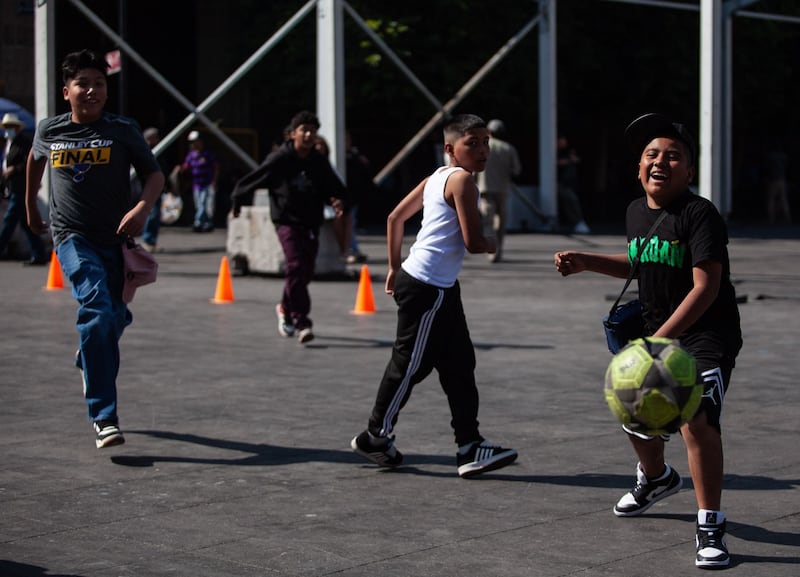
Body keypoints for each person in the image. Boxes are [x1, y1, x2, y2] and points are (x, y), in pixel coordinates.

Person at [553, 113, 742, 568]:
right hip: (653, 336)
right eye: (652, 154)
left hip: (704, 337)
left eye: (673, 156)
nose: (661, 161)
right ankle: (656, 478)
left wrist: (657, 343)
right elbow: (642, 261)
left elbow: (705, 287)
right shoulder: (636, 211)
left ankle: (710, 525)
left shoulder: (700, 215)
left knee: (696, 419)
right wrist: (587, 261)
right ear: (638, 167)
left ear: (689, 171)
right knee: (633, 413)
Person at [350, 114, 518, 478]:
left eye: (486, 142)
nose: (482, 150)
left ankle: (470, 446)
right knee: (409, 364)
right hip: (428, 289)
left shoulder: (435, 178)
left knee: (459, 365)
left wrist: (395, 266)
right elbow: (474, 243)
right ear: (450, 149)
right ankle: (375, 435)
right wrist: (491, 242)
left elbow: (395, 218)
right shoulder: (461, 181)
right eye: (472, 143)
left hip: (436, 286)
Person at [25, 49, 164, 449]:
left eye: (99, 83)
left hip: (116, 240)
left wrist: (142, 208)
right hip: (72, 237)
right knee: (97, 310)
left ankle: (90, 354)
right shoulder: (50, 130)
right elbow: (36, 162)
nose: (91, 90)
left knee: (111, 319)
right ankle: (104, 416)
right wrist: (33, 207)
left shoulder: (123, 129)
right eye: (82, 83)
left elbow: (154, 175)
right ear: (66, 90)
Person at [230, 110, 347, 344]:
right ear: (293, 134)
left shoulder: (317, 161)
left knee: (304, 271)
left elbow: (332, 186)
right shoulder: (280, 159)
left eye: (313, 132)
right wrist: (238, 202)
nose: (308, 135)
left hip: (310, 221)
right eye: (304, 130)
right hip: (286, 221)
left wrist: (336, 199)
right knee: (294, 265)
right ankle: (301, 321)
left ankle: (284, 307)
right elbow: (254, 179)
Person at [0, 112, 47, 265]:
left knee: (9, 221)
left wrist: (14, 169)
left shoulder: (23, 143)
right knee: (27, 225)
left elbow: (29, 164)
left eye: (11, 127)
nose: (8, 130)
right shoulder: (9, 144)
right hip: (13, 187)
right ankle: (39, 254)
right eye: (6, 127)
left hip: (21, 189)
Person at [475, 118, 520, 262]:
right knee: (501, 220)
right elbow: (516, 170)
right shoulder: (508, 148)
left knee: (487, 220)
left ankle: (491, 250)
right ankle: (499, 248)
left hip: (485, 187)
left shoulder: (482, 147)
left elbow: (474, 168)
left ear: (489, 132)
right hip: (503, 188)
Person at [140, 127, 174, 252]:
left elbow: (163, 170)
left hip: (157, 188)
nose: (158, 140)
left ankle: (151, 240)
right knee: (152, 214)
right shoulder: (145, 151)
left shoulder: (158, 151)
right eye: (155, 137)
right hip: (149, 189)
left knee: (155, 214)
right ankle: (147, 240)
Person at [180, 129, 218, 232]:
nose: (193, 144)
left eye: (195, 141)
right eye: (191, 142)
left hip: (207, 183)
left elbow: (215, 168)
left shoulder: (207, 154)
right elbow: (186, 166)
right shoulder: (191, 155)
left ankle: (198, 222)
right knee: (199, 204)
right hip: (196, 184)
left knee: (203, 203)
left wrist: (214, 181)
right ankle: (206, 223)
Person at [557, 135, 591, 234]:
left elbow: (577, 159)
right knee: (570, 200)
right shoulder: (555, 152)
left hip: (571, 183)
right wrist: (568, 160)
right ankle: (577, 221)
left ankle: (577, 222)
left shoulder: (569, 151)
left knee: (572, 201)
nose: (562, 143)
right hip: (560, 183)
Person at [763, 147, 790, 224]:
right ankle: (788, 218)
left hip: (773, 179)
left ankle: (771, 219)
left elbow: (767, 168)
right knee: (784, 199)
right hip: (782, 179)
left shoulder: (770, 156)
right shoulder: (783, 156)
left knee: (771, 199)